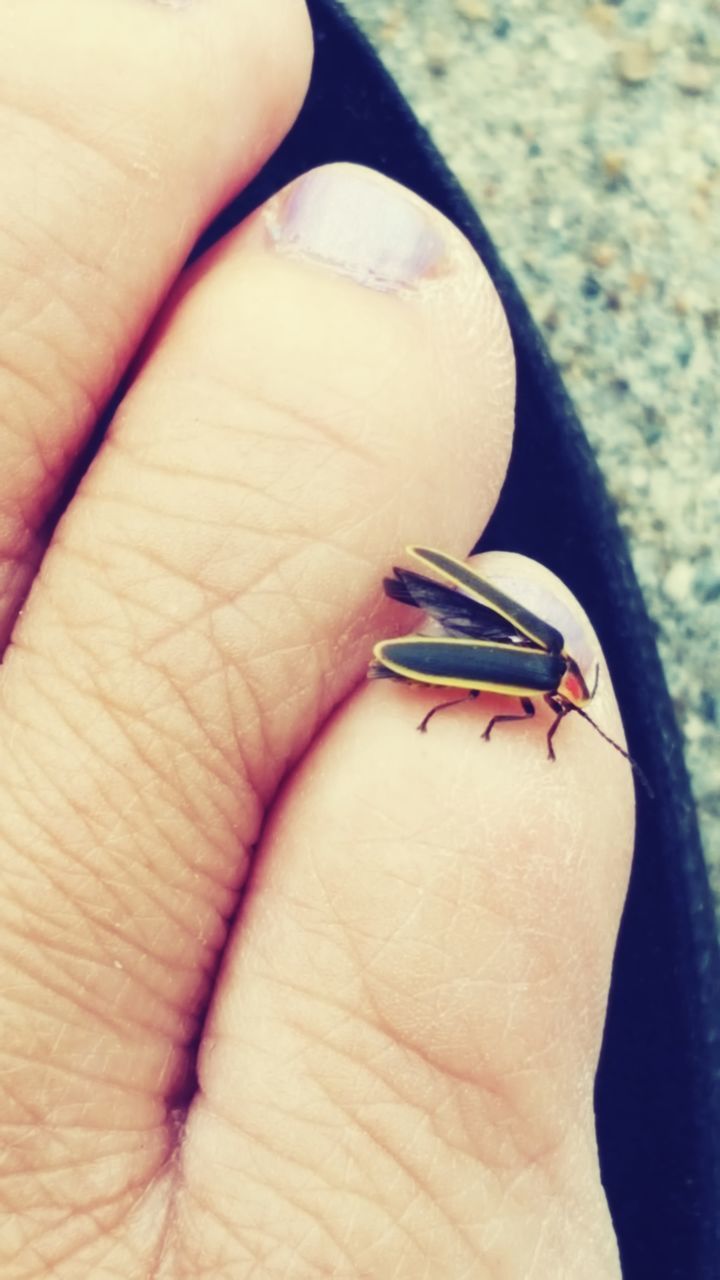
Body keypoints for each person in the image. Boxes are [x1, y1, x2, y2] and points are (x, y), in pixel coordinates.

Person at [0, 2, 633, 1274]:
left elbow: (492, 686)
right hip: (433, 646)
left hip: (430, 651)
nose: (560, 698)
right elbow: (507, 694)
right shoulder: (535, 690)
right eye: (561, 697)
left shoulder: (529, 682)